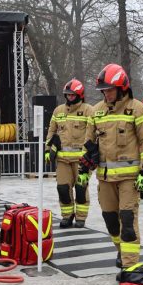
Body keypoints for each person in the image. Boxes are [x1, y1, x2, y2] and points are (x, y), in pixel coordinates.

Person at [77, 64, 143, 269]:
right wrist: (84, 170)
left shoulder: (137, 109)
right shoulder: (97, 111)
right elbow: (88, 144)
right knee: (110, 220)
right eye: (103, 90)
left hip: (129, 179)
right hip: (105, 178)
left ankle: (130, 266)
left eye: (110, 90)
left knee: (127, 220)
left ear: (122, 88)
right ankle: (122, 251)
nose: (106, 94)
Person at [45, 79, 94, 229]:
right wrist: (47, 149)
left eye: (73, 94)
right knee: (63, 189)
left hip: (81, 160)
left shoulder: (88, 110)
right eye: (67, 94)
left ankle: (81, 217)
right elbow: (51, 131)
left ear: (80, 95)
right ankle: (67, 216)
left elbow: (93, 134)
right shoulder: (58, 111)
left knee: (80, 189)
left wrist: (90, 155)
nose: (70, 97)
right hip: (62, 160)